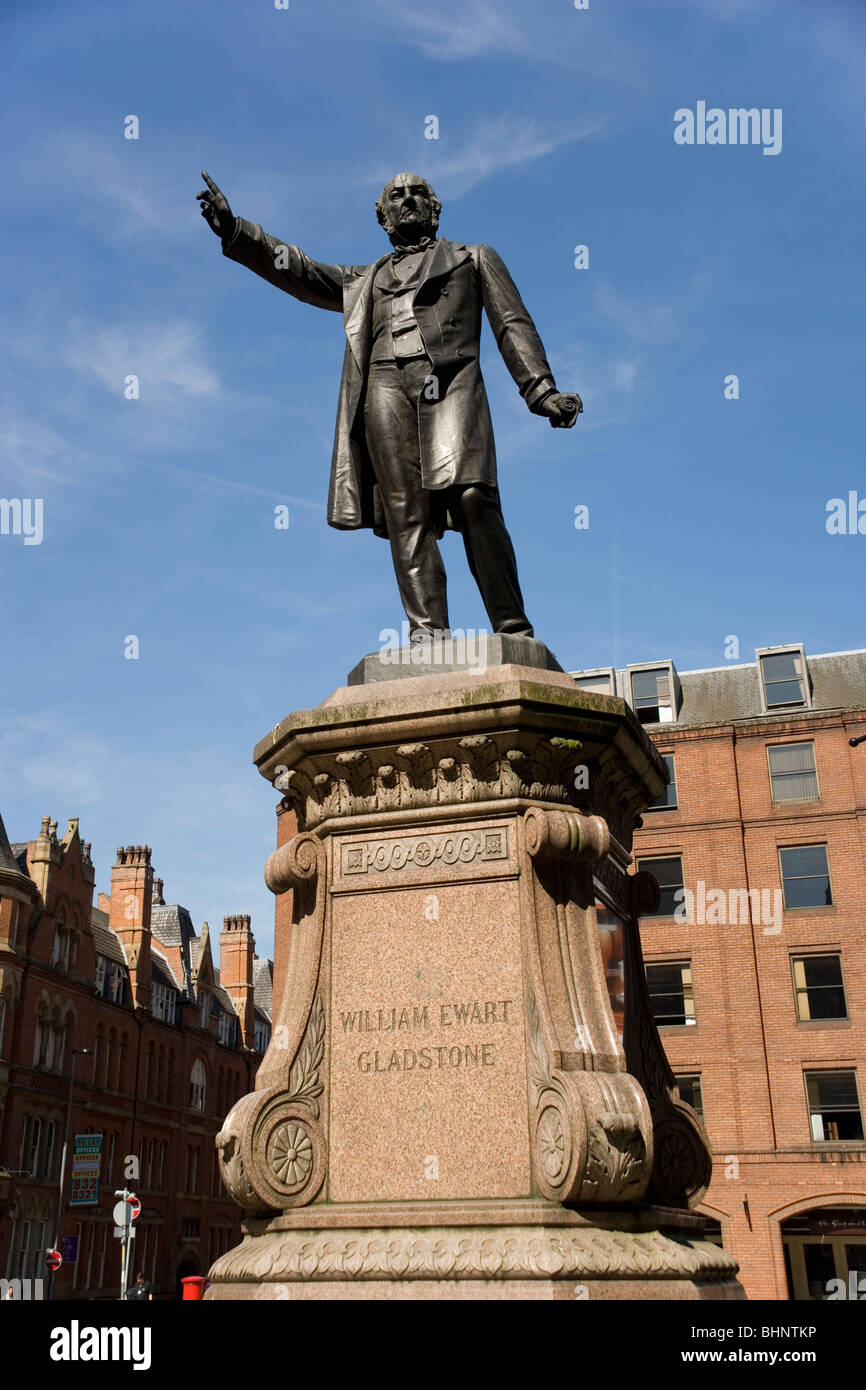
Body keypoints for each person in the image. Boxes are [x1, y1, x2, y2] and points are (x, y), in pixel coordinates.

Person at [197, 170, 582, 641]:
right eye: (396, 196)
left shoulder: (474, 259)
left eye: (418, 193)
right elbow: (300, 270)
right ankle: (429, 633)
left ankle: (512, 627)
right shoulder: (365, 280)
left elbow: (512, 325)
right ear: (382, 216)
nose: (408, 200)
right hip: (384, 387)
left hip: (451, 382)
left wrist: (541, 391)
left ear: (435, 208)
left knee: (472, 497)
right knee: (406, 509)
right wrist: (238, 231)